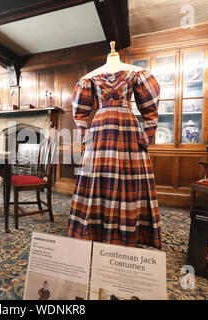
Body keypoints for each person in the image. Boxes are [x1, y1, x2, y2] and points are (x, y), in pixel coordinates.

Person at [68, 41, 161, 248]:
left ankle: (129, 232)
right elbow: (81, 112)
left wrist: (146, 137)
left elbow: (150, 111)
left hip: (128, 131)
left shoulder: (137, 73)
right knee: (98, 179)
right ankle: (95, 230)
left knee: (128, 180)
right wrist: (85, 136)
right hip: (99, 133)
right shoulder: (89, 78)